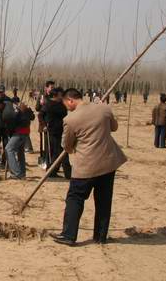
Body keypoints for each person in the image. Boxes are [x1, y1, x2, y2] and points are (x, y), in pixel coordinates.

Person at [50, 88, 127, 246]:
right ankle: (100, 236)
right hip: (108, 163)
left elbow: (67, 145)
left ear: (71, 100)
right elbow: (114, 127)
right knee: (104, 201)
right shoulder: (104, 108)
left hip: (86, 167)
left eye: (66, 104)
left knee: (75, 198)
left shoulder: (71, 119)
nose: (67, 108)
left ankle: (68, 235)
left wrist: (75, 147)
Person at [41, 87, 71, 178]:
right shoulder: (48, 104)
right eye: (61, 94)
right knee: (55, 152)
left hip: (62, 130)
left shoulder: (61, 104)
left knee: (62, 152)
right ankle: (53, 172)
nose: (62, 96)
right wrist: (44, 126)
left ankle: (63, 172)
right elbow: (40, 115)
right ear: (56, 95)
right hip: (52, 132)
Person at [4, 98, 35, 179]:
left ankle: (16, 173)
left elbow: (31, 117)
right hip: (24, 132)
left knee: (9, 149)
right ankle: (22, 173)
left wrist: (23, 111)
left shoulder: (21, 111)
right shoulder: (18, 110)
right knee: (20, 152)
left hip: (20, 132)